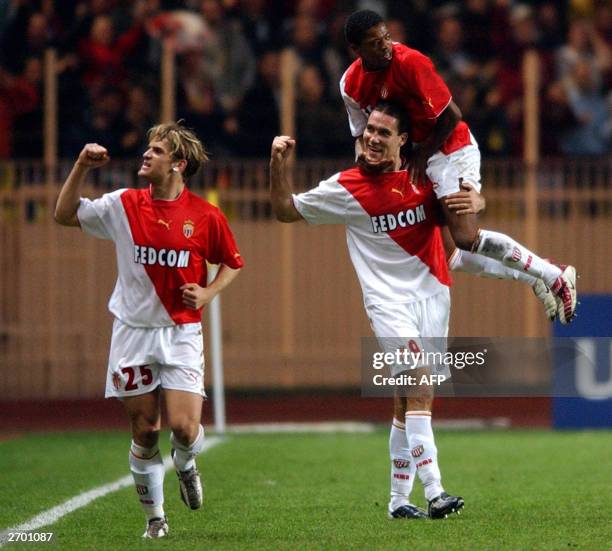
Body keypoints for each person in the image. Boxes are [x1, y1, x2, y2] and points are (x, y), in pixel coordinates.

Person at [270, 101, 463, 520]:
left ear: (403, 140)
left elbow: (457, 228)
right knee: (420, 382)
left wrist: (473, 203)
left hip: (432, 294)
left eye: (383, 133)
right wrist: (277, 165)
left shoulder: (424, 176)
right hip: (388, 303)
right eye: (369, 130)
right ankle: (435, 491)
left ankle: (397, 501)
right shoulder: (346, 186)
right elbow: (285, 210)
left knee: (404, 400)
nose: (372, 138)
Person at [54, 121, 243, 538]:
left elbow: (231, 261)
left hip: (180, 333)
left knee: (184, 428)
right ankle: (155, 520)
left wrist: (210, 293)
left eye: (156, 150)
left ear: (178, 164)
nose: (147, 154)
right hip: (132, 333)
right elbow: (64, 214)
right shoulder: (123, 205)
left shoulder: (205, 216)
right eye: (148, 148)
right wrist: (82, 165)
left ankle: (187, 462)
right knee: (144, 429)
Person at [339, 9, 577, 326]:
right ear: (357, 50)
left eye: (386, 36)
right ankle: (536, 275)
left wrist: (421, 158)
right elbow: (360, 136)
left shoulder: (411, 62)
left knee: (465, 237)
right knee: (451, 256)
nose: (385, 45)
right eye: (375, 42)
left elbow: (451, 115)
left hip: (451, 148)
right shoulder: (350, 84)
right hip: (417, 160)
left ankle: (554, 275)